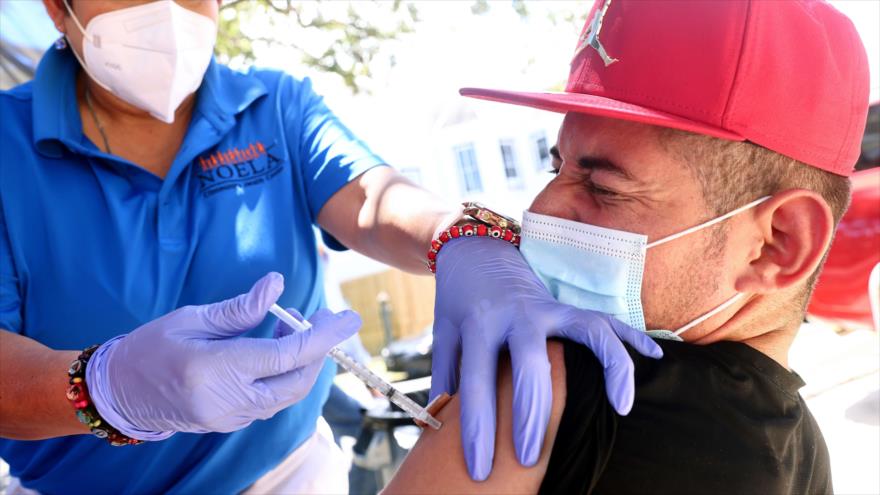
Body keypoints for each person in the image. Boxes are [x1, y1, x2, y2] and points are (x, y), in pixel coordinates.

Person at [0, 0, 662, 492]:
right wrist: (103, 388)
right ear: (58, 8)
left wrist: (461, 238)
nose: (168, 12)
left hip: (289, 475)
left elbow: (373, 201)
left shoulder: (273, 108)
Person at [385, 0, 869, 493]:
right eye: (556, 169)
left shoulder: (550, 387)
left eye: (603, 188)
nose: (540, 211)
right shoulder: (806, 455)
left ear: (777, 245)